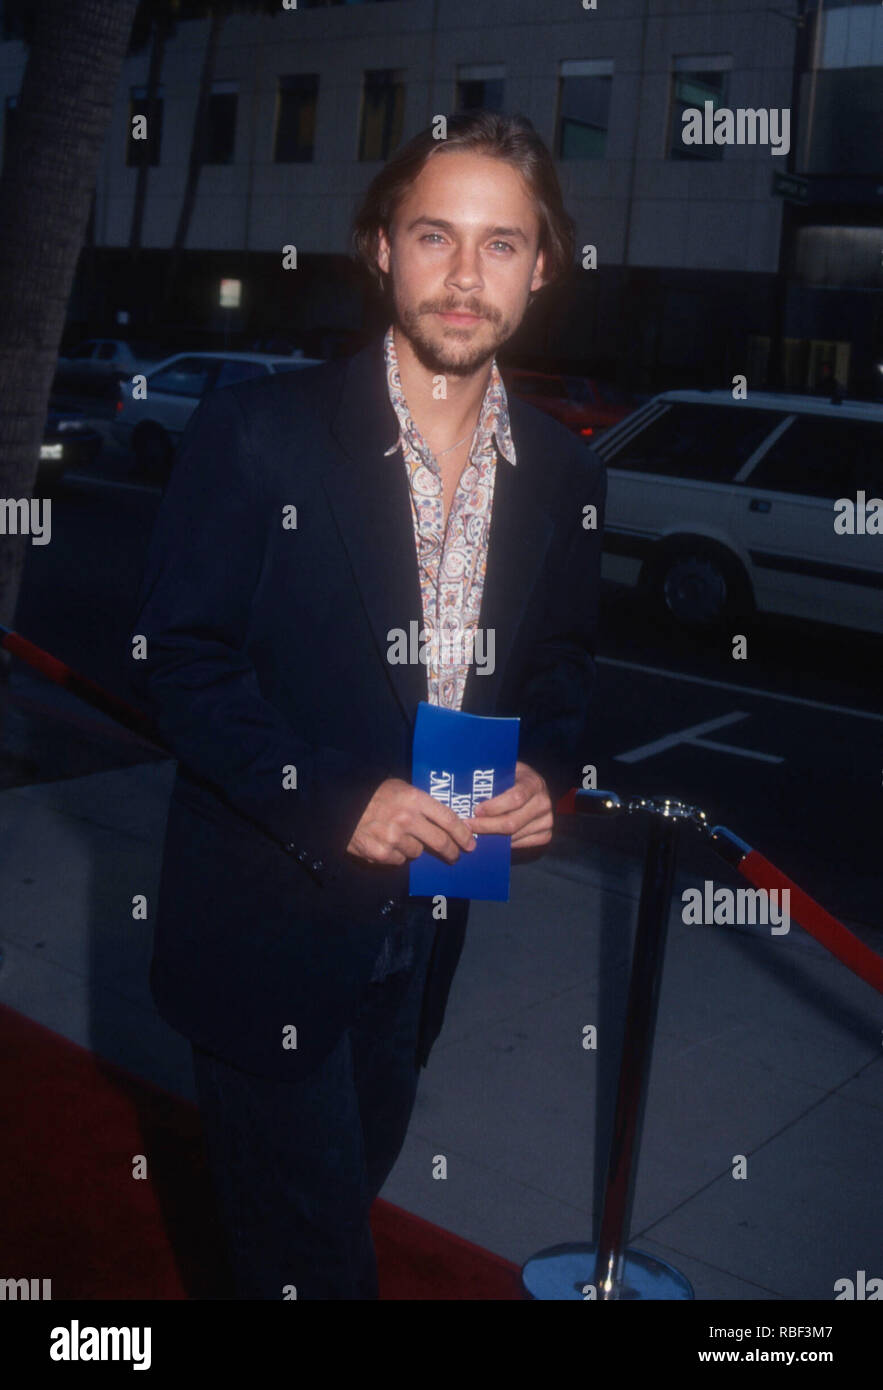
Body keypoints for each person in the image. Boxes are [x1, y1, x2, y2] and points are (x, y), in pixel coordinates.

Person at [131, 109, 606, 1300]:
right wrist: (334, 798)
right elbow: (176, 657)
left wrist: (549, 770)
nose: (464, 275)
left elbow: (560, 672)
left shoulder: (561, 468)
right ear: (379, 246)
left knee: (335, 1202)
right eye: (435, 235)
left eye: (503, 245)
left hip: (432, 925)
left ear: (542, 267)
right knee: (318, 1266)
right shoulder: (259, 434)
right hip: (266, 924)